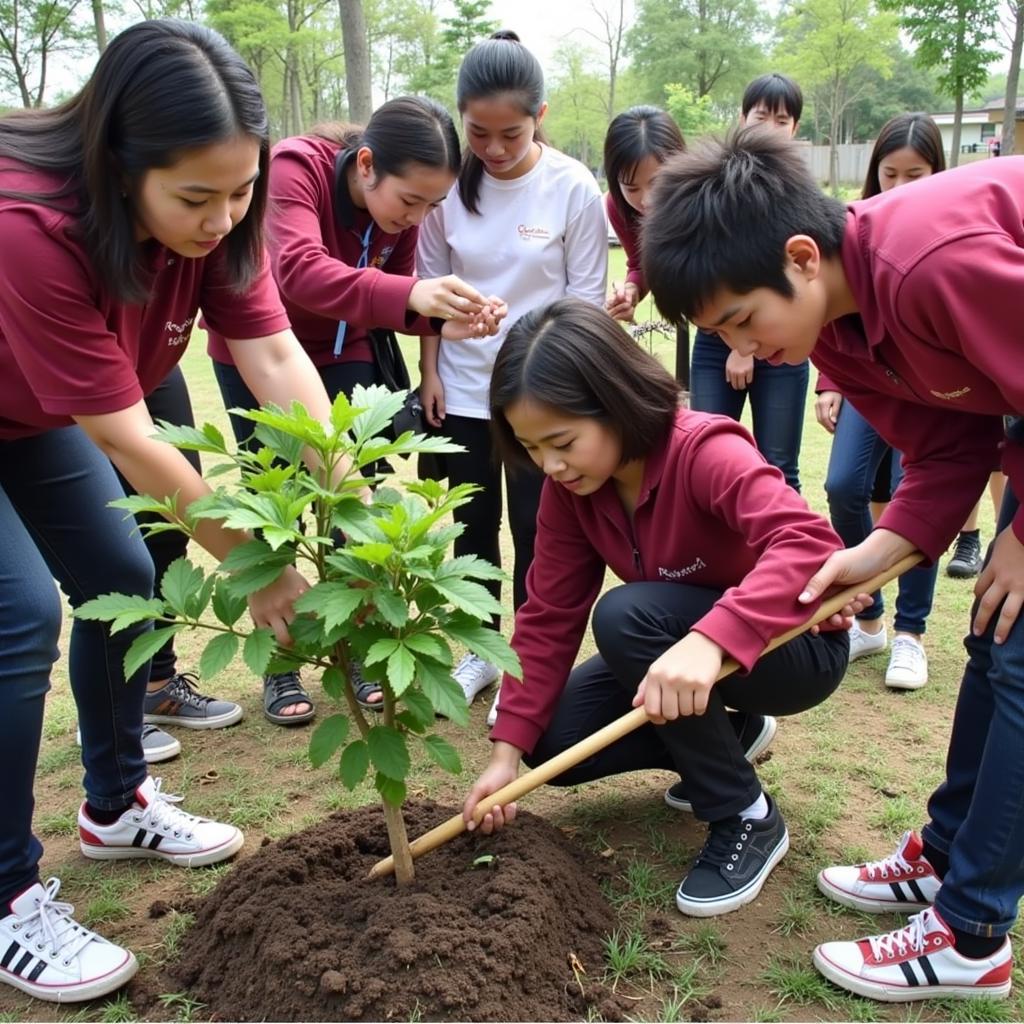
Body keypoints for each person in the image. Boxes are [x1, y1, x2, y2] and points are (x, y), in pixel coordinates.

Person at [0, 19, 352, 1003]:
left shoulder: (224, 217)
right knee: (18, 614)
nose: (223, 216)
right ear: (119, 166)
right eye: (196, 197)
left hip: (29, 411)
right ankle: (5, 896)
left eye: (242, 190)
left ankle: (116, 807)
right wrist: (259, 566)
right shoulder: (29, 222)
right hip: (49, 403)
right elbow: (130, 439)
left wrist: (353, 493)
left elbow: (277, 359)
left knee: (124, 579)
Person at [643, 127, 1024, 1001]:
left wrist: (1022, 535)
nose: (743, 345)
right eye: (718, 331)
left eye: (742, 318)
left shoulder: (935, 264)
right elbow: (949, 447)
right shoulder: (836, 331)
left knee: (1023, 658)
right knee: (995, 640)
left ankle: (971, 937)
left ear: (802, 257)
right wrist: (877, 552)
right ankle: (947, 855)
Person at [461, 298, 851, 919]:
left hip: (793, 647)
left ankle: (744, 814)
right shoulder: (572, 492)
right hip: (690, 652)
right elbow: (546, 613)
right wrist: (505, 753)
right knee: (552, 738)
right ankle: (730, 735)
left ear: (614, 403)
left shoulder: (704, 450)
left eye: (562, 442)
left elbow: (809, 545)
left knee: (626, 615)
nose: (550, 466)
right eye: (532, 449)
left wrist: (713, 639)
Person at [207, 96, 506, 725]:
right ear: (366, 165)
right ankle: (282, 666)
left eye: (431, 206)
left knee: (355, 500)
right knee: (278, 502)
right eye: (409, 201)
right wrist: (414, 297)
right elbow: (298, 273)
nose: (416, 217)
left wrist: (443, 322)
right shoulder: (295, 169)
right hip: (257, 351)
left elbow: (391, 297)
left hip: (346, 353)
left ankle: (362, 655)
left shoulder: (403, 215)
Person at [417, 31, 607, 721]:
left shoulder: (573, 187)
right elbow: (426, 291)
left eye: (510, 133)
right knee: (471, 527)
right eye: (478, 134)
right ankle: (479, 649)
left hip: (540, 396)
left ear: (542, 117)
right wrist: (430, 372)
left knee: (540, 532)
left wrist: (576, 396)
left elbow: (585, 298)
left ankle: (526, 665)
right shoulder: (447, 189)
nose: (493, 150)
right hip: (463, 388)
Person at [813, 113, 944, 690]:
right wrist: (831, 382)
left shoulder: (939, 248)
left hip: (934, 385)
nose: (900, 188)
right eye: (889, 174)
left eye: (915, 174)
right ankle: (870, 618)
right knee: (845, 484)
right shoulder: (851, 233)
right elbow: (834, 310)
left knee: (914, 490)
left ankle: (911, 634)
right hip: (874, 379)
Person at [688, 72, 809, 492]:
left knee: (779, 467)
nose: (771, 127)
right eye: (762, 116)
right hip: (715, 342)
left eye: (782, 120)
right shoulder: (718, 185)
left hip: (784, 349)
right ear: (742, 118)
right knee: (705, 460)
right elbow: (704, 270)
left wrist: (752, 348)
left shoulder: (801, 192)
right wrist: (737, 345)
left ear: (795, 128)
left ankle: (790, 555)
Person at [603, 106, 685, 324]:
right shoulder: (616, 205)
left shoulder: (706, 195)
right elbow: (641, 264)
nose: (646, 201)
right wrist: (631, 290)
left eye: (657, 182)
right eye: (631, 188)